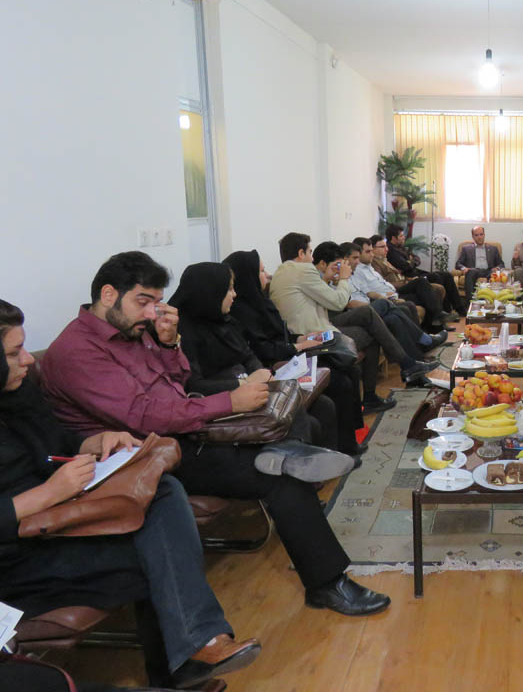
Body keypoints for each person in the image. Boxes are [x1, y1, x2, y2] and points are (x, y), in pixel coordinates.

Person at [39, 252, 391, 618]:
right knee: (280, 475)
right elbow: (143, 416)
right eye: (143, 301)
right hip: (142, 456)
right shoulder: (77, 351)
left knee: (285, 446)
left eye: (156, 302)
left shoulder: (133, 331)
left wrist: (169, 345)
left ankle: (290, 458)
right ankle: (327, 582)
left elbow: (176, 383)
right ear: (109, 294)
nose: (151, 313)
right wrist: (230, 402)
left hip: (180, 433)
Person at [0, 299, 261, 689]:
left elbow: (57, 444)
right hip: (19, 556)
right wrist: (48, 493)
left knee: (163, 489)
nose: (27, 360)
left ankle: (191, 654)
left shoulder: (17, 396)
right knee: (156, 557)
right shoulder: (74, 353)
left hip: (60, 520)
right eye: (13, 353)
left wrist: (97, 441)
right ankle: (185, 663)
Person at [168, 262, 363, 462]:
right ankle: (300, 464)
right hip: (228, 398)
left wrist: (260, 374)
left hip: (253, 384)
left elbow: (248, 354)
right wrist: (244, 383)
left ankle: (329, 462)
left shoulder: (223, 320)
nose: (234, 294)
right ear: (210, 292)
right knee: (309, 418)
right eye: (228, 289)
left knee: (324, 405)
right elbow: (194, 385)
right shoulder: (183, 333)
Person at [224, 249, 370, 455]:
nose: (267, 275)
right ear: (248, 276)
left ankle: (349, 439)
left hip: (289, 354)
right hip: (279, 364)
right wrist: (297, 346)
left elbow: (279, 333)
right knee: (340, 381)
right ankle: (343, 447)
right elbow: (264, 348)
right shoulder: (241, 311)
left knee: (349, 368)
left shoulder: (260, 301)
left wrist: (301, 338)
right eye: (261, 271)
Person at [269, 233, 436, 391]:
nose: (311, 259)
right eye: (309, 252)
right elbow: (338, 303)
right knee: (372, 324)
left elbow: (317, 300)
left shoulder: (283, 272)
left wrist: (328, 278)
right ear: (301, 253)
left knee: (376, 316)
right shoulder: (303, 270)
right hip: (314, 335)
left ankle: (407, 366)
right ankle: (406, 367)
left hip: (306, 331)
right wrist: (344, 278)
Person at [347, 239, 447, 352]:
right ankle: (426, 337)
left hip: (391, 293)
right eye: (368, 251)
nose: (372, 254)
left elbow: (371, 288)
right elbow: (361, 297)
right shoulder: (358, 271)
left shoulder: (369, 266)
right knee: (412, 299)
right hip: (383, 299)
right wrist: (384, 296)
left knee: (429, 288)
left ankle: (427, 334)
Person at [385, 224, 464, 315]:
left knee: (447, 275)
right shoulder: (390, 250)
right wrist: (411, 261)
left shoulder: (401, 247)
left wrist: (411, 261)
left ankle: (460, 308)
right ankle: (444, 311)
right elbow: (406, 266)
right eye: (401, 236)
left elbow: (417, 259)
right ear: (393, 238)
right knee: (436, 277)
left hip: (416, 272)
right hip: (411, 277)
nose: (404, 237)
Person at [453, 225, 505, 299]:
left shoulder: (493, 249)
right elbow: (458, 264)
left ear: (484, 235)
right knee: (470, 272)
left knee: (495, 275)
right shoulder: (466, 249)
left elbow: (501, 264)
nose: (479, 237)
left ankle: (492, 300)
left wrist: (497, 268)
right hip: (474, 270)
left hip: (489, 271)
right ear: (473, 237)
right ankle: (470, 301)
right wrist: (464, 268)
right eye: (476, 235)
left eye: (481, 234)